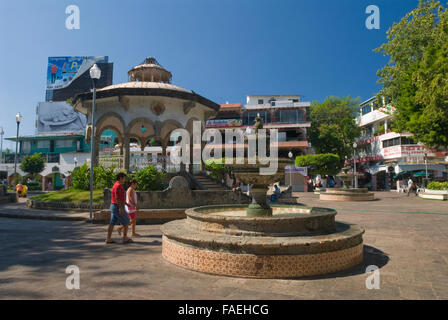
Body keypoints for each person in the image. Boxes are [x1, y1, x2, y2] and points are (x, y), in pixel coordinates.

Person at [106, 172, 133, 244]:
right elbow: (117, 198)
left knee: (112, 223)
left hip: (115, 206)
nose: (125, 180)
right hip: (117, 206)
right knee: (127, 221)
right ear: (121, 178)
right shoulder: (118, 186)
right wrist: (120, 208)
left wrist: (126, 204)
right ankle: (125, 238)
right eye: (124, 178)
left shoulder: (117, 185)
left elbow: (120, 198)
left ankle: (108, 238)